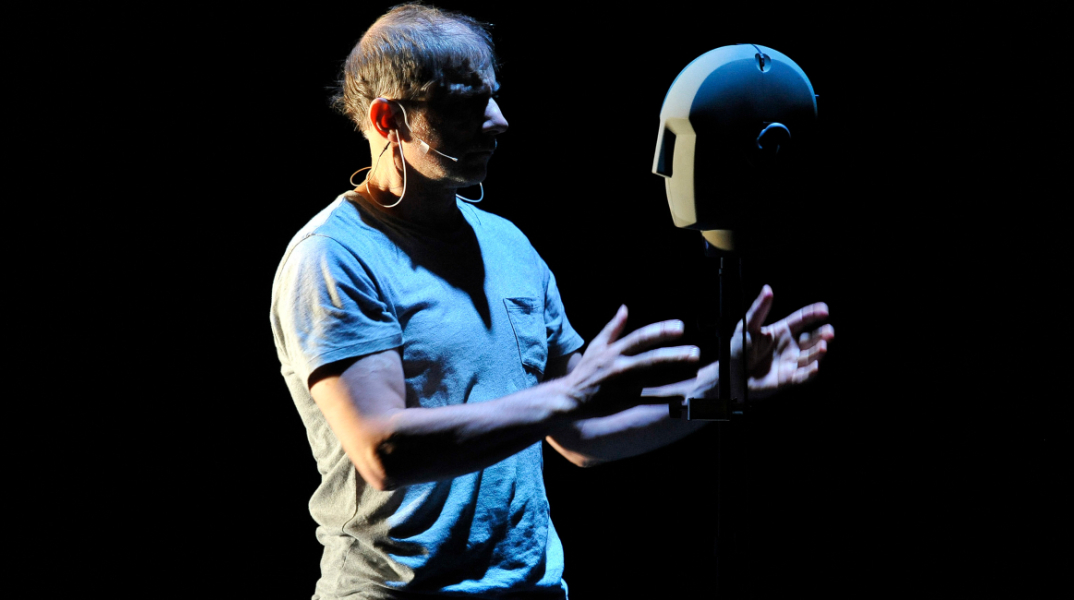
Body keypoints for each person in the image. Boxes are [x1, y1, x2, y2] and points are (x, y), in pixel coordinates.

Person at [270, 4, 834, 598]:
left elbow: (583, 434)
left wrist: (723, 391)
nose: (499, 121)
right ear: (390, 120)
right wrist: (567, 394)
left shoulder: (508, 245)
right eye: (468, 105)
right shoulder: (334, 256)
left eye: (494, 96)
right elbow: (382, 450)